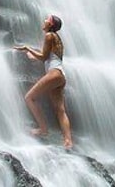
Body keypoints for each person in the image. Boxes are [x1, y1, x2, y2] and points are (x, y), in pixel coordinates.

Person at [13, 14, 73, 149]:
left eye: (47, 19)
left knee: (29, 97)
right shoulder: (56, 39)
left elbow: (43, 57)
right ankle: (68, 141)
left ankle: (43, 129)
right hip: (60, 75)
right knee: (60, 110)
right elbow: (47, 57)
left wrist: (27, 48)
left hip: (54, 73)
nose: (44, 21)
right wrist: (31, 55)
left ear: (51, 24)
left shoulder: (49, 36)